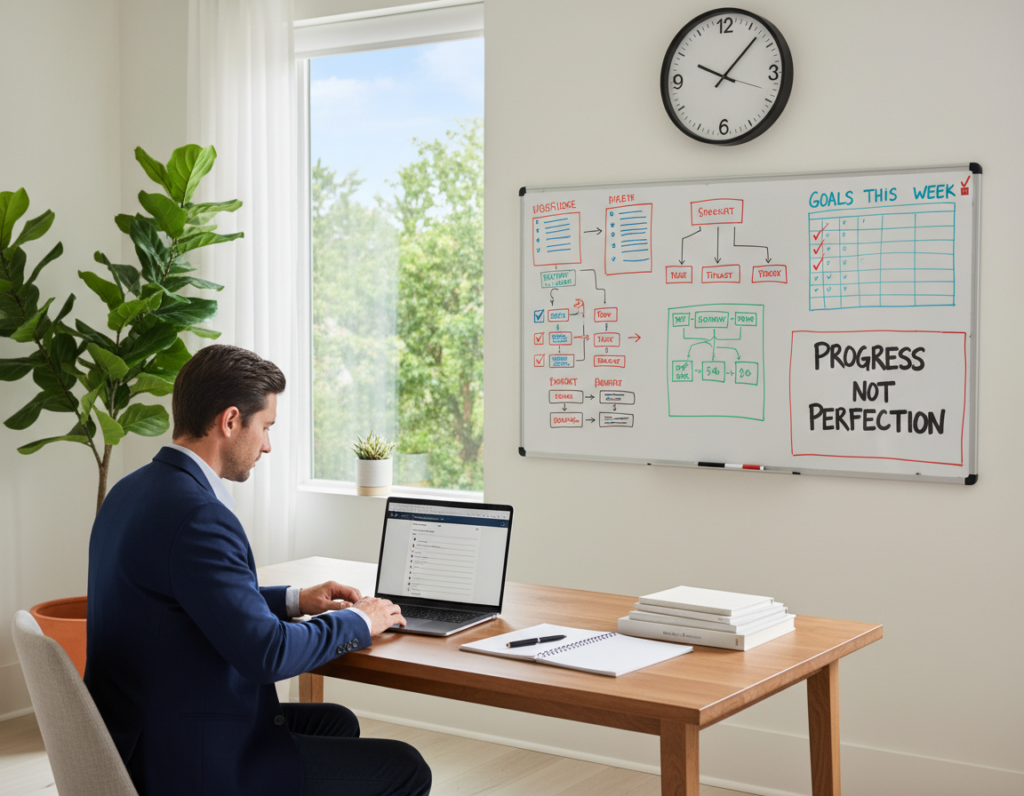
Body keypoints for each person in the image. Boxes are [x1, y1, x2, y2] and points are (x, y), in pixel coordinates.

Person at [85, 344, 431, 796]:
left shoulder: (133, 491)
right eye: (265, 427)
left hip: (144, 725)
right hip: (187, 758)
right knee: (407, 767)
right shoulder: (197, 515)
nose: (267, 445)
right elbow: (267, 655)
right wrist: (360, 620)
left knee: (335, 721)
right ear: (230, 421)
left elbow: (184, 601)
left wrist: (294, 600)